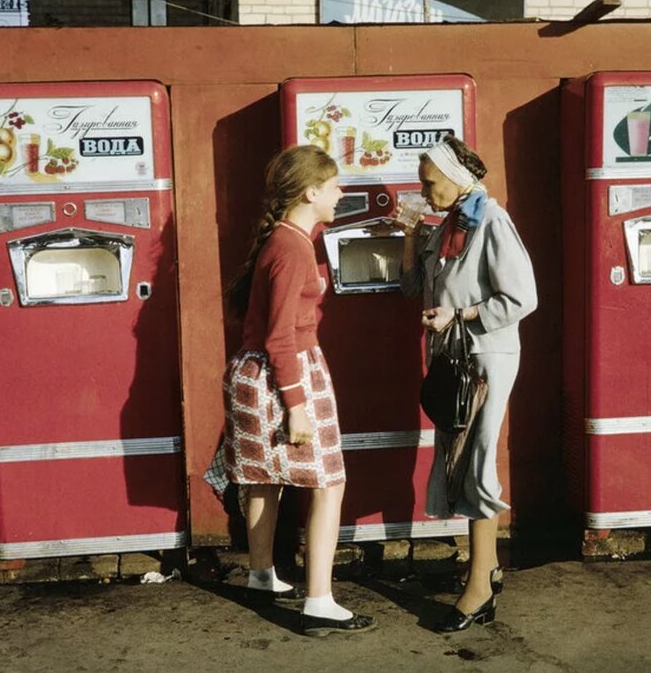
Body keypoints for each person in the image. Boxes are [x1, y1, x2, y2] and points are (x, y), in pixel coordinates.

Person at [221, 144, 375, 637]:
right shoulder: (292, 249)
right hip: (285, 374)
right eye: (333, 186)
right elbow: (280, 337)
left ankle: (261, 576)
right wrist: (297, 407)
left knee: (264, 479)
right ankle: (319, 602)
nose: (341, 194)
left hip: (252, 372)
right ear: (310, 192)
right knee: (329, 483)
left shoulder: (285, 239)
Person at [398, 136, 537, 633]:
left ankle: (478, 588)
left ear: (456, 179)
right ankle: (488, 568)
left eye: (428, 183)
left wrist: (459, 314)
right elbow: (412, 288)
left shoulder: (491, 221)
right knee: (460, 460)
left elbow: (522, 298)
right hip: (456, 360)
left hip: (486, 358)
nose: (423, 191)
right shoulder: (450, 224)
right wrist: (410, 234)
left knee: (477, 464)